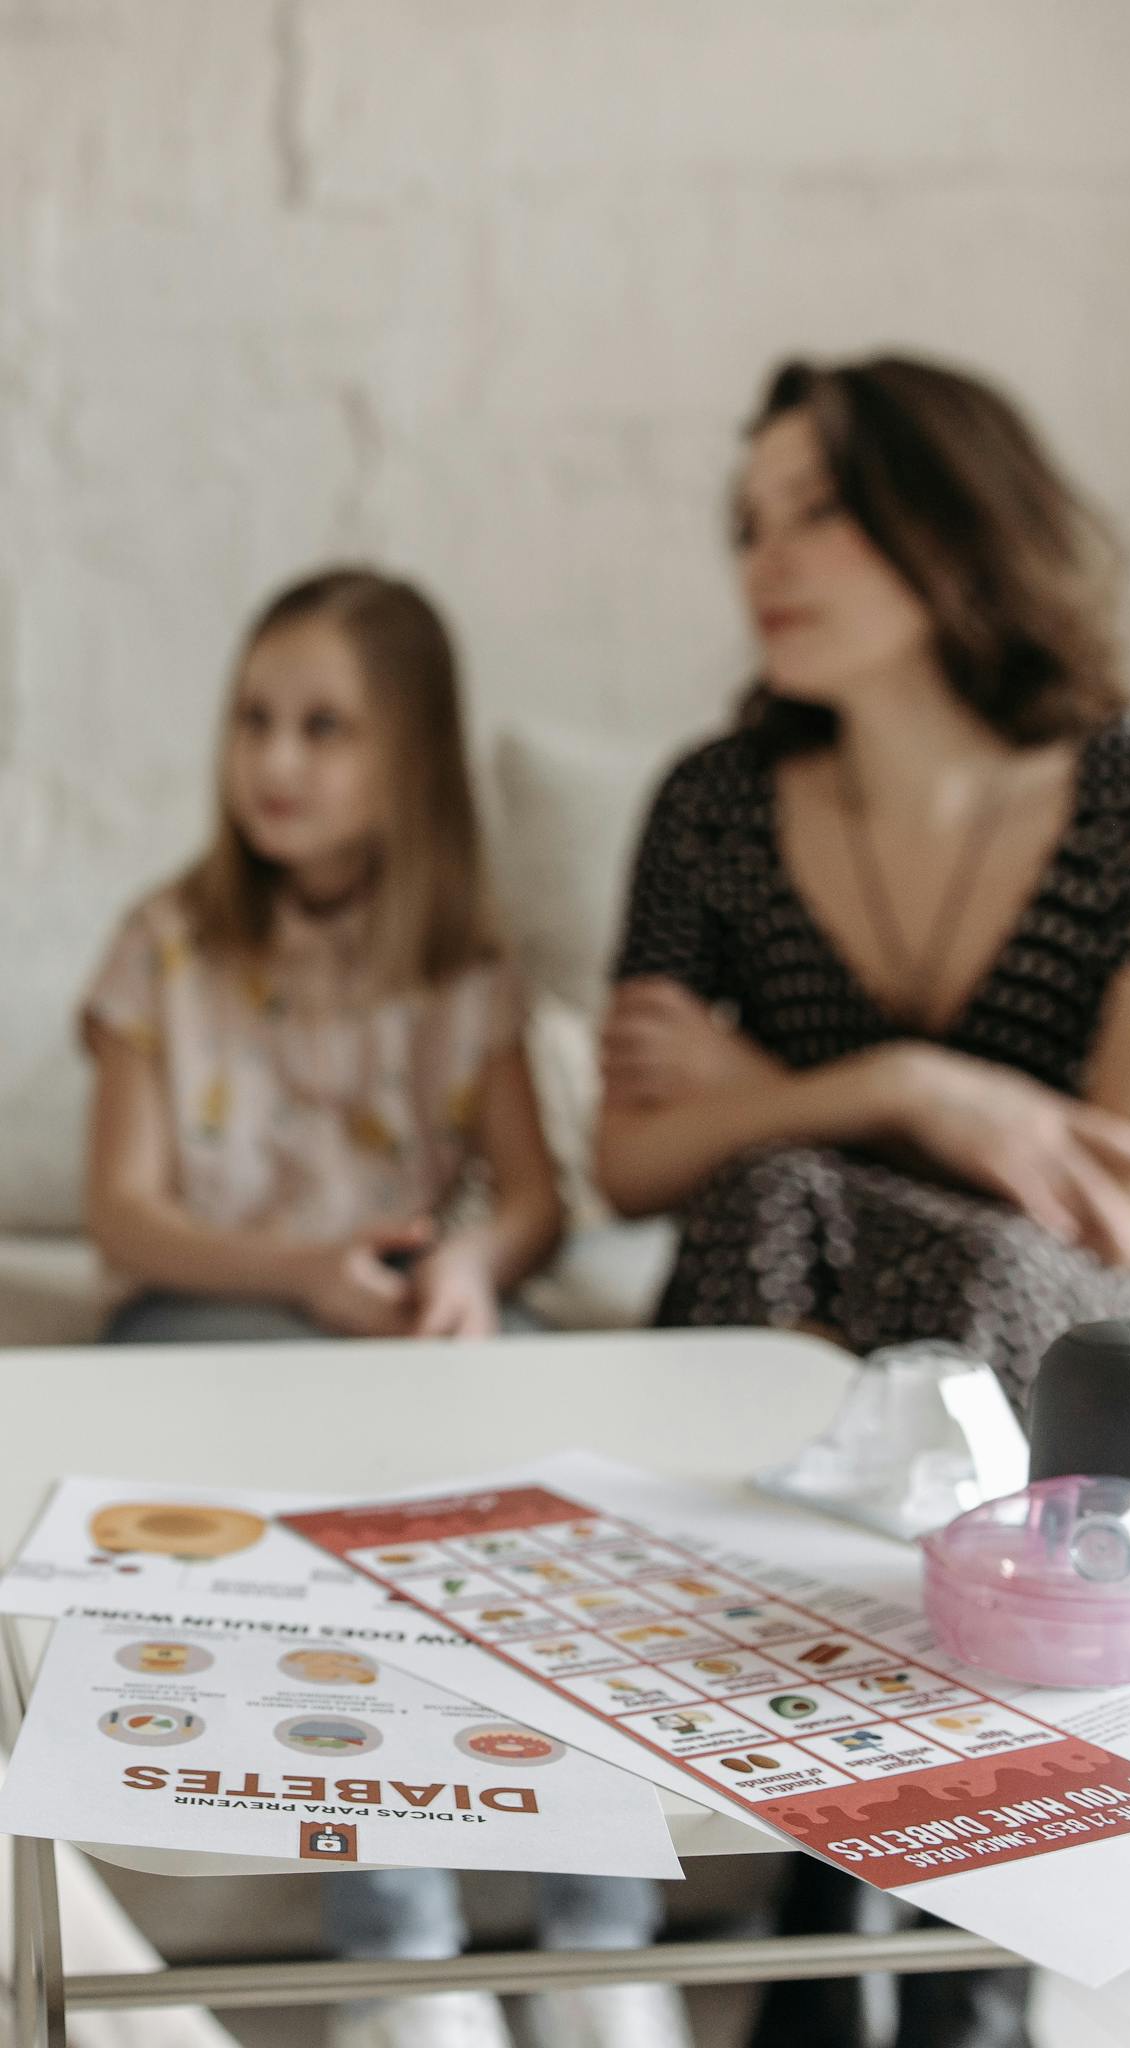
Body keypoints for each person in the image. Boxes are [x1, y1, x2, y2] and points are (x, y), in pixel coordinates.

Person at [596, 357, 1130, 2048]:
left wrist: (766, 1084)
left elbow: (1126, 1190)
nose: (767, 558)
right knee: (772, 1192)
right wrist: (908, 1086)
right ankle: (906, 1921)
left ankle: (878, 1915)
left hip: (1094, 1342)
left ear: (956, 514)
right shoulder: (713, 807)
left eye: (818, 508)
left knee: (908, 1246)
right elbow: (631, 1165)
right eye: (748, 521)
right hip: (808, 1338)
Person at [80, 568, 686, 2048]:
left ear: (409, 756)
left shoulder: (465, 963)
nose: (276, 762)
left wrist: (473, 1270)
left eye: (325, 728)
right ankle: (401, 1959)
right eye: (255, 722)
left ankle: (602, 1934)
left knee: (555, 1497)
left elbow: (537, 1204)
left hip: (404, 1339)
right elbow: (123, 1214)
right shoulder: (166, 945)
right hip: (216, 1326)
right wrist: (296, 1272)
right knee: (339, 1553)